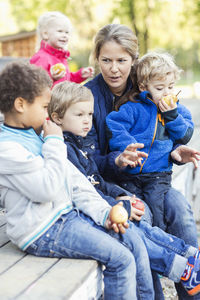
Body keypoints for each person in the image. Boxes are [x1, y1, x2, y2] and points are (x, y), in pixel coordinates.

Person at [0, 62, 200, 300]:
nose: (46, 113)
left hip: (63, 216)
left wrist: (105, 212)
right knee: (123, 256)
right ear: (21, 105)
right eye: (43, 106)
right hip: (40, 230)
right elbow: (48, 189)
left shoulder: (32, 136)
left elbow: (76, 183)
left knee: (130, 235)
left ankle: (186, 260)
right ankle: (181, 267)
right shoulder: (10, 147)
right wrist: (53, 142)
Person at [85, 23, 200, 299]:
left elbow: (162, 130)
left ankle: (193, 291)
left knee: (180, 210)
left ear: (134, 62)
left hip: (153, 178)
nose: (114, 68)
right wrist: (119, 159)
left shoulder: (149, 90)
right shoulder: (88, 97)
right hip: (112, 184)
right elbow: (86, 160)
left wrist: (174, 150)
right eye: (106, 60)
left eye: (122, 61)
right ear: (97, 59)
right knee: (140, 217)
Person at [106, 51, 194, 231]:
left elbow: (184, 135)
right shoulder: (133, 108)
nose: (167, 93)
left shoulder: (177, 110)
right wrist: (128, 146)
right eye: (160, 88)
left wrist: (172, 116)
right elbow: (114, 124)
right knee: (140, 212)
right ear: (144, 87)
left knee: (157, 206)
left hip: (158, 174)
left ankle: (166, 242)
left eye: (170, 86)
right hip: (129, 175)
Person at [30, 11, 94, 87]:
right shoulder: (41, 58)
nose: (65, 35)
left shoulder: (61, 58)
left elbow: (67, 81)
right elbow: (35, 84)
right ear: (45, 34)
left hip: (63, 98)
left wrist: (80, 75)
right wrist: (52, 78)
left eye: (67, 32)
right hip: (49, 99)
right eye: (60, 31)